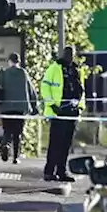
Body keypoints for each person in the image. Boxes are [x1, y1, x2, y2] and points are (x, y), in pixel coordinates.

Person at [40, 47, 84, 182]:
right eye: (67, 53)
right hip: (58, 112)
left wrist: (80, 108)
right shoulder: (55, 68)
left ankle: (61, 171)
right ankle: (49, 171)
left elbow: (81, 91)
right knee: (55, 143)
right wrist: (52, 105)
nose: (69, 56)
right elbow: (45, 86)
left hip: (72, 113)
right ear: (63, 54)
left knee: (66, 144)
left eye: (72, 54)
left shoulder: (76, 70)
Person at [0, 53, 38, 163]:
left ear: (9, 61)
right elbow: (31, 90)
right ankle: (15, 157)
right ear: (18, 62)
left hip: (7, 106)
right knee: (17, 133)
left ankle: (5, 145)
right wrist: (34, 106)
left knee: (7, 130)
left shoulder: (4, 73)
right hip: (20, 108)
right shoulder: (23, 73)